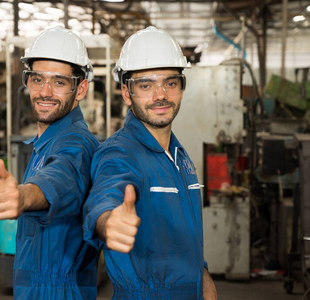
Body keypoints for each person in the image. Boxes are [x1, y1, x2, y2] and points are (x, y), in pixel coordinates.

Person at [83, 26, 218, 300]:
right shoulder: (119, 153)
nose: (160, 95)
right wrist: (108, 222)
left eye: (170, 83)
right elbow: (105, 197)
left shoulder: (179, 155)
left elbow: (184, 234)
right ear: (126, 92)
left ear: (181, 87)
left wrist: (202, 277)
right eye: (146, 85)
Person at [0, 26, 100, 299]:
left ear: (81, 88)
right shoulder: (45, 142)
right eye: (37, 79)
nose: (45, 91)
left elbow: (61, 178)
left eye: (59, 82)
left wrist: (24, 196)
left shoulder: (76, 144)